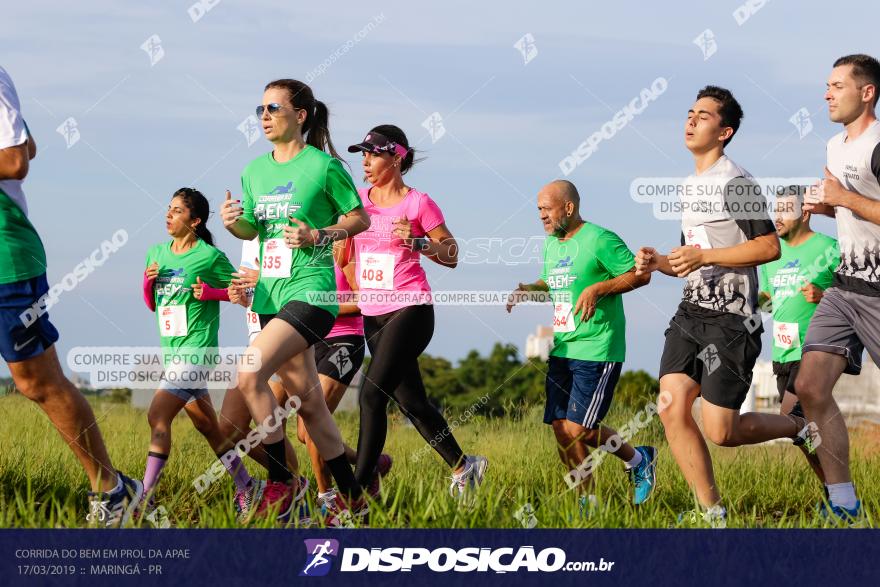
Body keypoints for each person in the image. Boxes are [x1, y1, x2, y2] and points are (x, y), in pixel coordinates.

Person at [635, 86, 809, 527]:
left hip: (732, 321)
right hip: (690, 315)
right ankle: (710, 512)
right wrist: (658, 262)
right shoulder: (690, 186)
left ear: (724, 131)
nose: (691, 120)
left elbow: (770, 246)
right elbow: (687, 258)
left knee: (720, 432)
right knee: (671, 406)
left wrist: (705, 257)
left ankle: (799, 426)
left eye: (705, 116)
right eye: (690, 113)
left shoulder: (737, 182)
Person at [221, 79, 370, 525]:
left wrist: (319, 235)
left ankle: (284, 484)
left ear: (300, 115)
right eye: (259, 110)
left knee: (249, 375)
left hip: (312, 293)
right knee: (311, 407)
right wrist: (234, 225)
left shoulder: (323, 167)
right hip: (270, 294)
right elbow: (253, 230)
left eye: (273, 107)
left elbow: (358, 217)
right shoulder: (253, 171)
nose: (264, 116)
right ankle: (354, 500)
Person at [0, 65, 141, 526]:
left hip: (6, 258)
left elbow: (17, 158)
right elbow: (29, 142)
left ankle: (111, 491)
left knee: (36, 382)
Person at [347, 125, 488, 498]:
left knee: (371, 395)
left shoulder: (418, 203)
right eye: (363, 153)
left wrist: (420, 241)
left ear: (397, 157)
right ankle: (464, 466)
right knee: (412, 403)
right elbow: (340, 247)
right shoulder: (358, 201)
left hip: (411, 309)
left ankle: (355, 494)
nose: (365, 160)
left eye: (373, 153)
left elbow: (453, 254)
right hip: (372, 314)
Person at [506, 179, 656, 513]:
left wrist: (599, 289)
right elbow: (554, 283)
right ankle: (588, 501)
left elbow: (640, 275)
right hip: (563, 347)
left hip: (598, 347)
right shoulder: (551, 244)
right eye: (539, 210)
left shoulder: (601, 239)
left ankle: (638, 459)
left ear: (569, 208)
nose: (542, 216)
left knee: (581, 428)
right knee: (562, 428)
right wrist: (530, 288)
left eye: (547, 209)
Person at [797, 54, 880, 522]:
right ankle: (844, 503)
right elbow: (857, 208)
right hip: (845, 286)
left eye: (836, 85)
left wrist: (843, 198)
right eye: (826, 85)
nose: (826, 93)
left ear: (866, 92)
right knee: (809, 386)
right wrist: (829, 208)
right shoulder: (834, 145)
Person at [140, 188, 238, 516]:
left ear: (194, 221)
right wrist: (146, 284)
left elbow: (244, 290)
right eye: (169, 209)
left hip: (198, 351)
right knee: (208, 427)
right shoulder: (156, 253)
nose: (169, 214)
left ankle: (145, 499)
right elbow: (153, 304)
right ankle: (247, 487)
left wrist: (213, 293)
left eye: (178, 211)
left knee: (157, 415)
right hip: (173, 354)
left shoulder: (209, 257)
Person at [296, 238, 391, 509]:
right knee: (304, 432)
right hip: (311, 344)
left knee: (315, 425)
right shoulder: (307, 251)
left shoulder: (346, 250)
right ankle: (370, 465)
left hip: (345, 342)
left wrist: (324, 306)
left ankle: (327, 498)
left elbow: (367, 300)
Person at [757, 186, 838, 488]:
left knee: (791, 420)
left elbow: (861, 295)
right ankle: (837, 492)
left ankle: (839, 493)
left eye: (783, 211)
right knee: (803, 434)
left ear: (804, 213)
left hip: (815, 351)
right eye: (775, 210)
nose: (776, 217)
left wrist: (824, 295)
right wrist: (750, 300)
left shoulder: (830, 248)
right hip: (782, 353)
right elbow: (770, 301)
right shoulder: (772, 254)